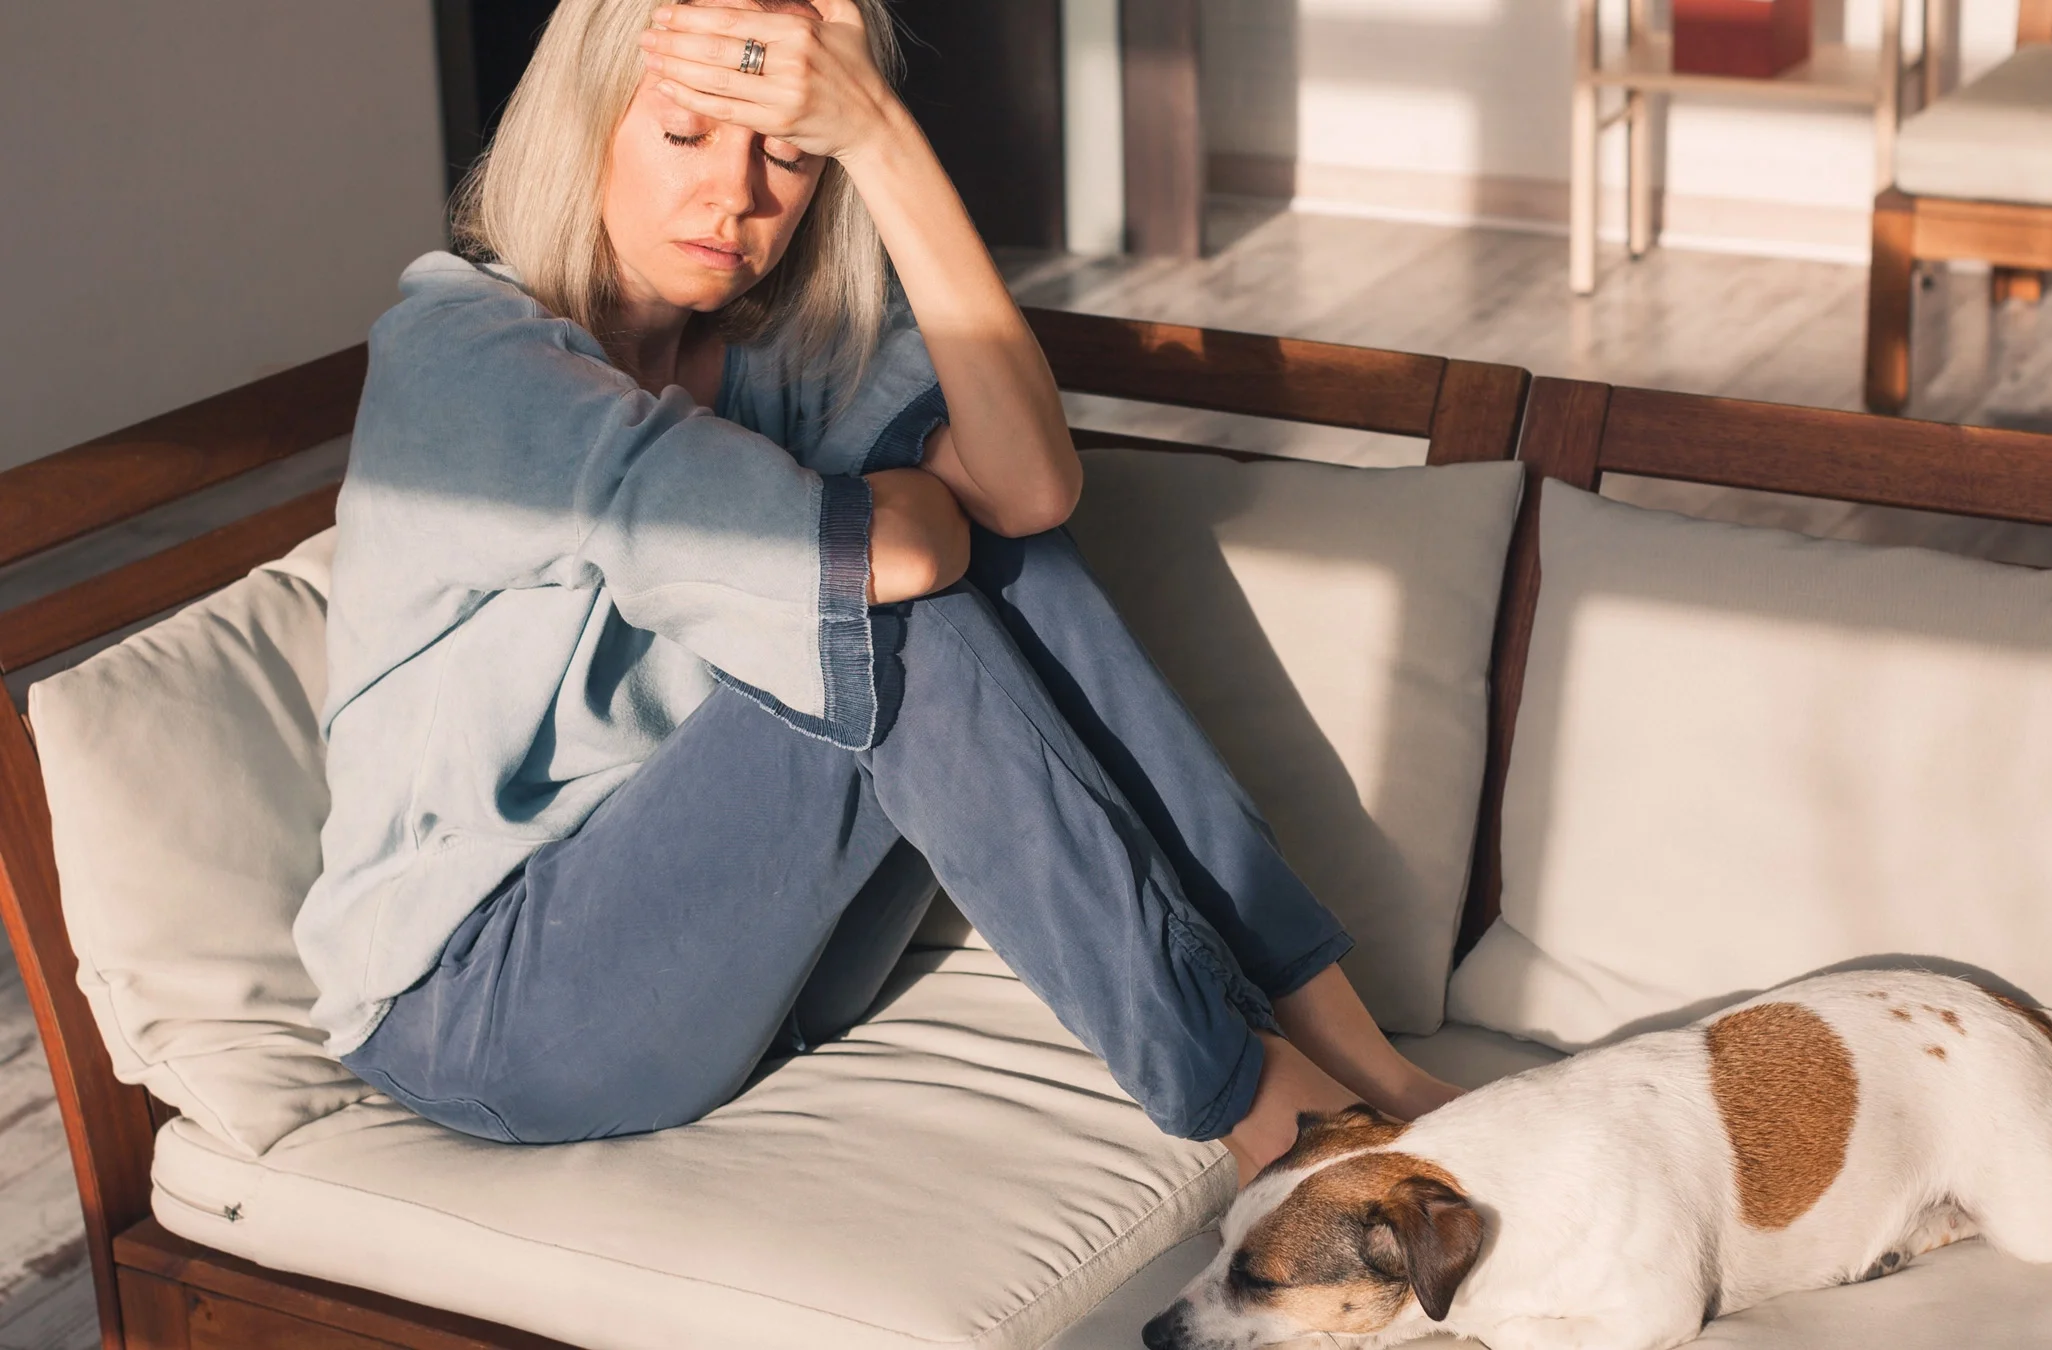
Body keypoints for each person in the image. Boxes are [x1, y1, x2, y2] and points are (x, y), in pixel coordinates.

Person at [293, 0, 1459, 1182]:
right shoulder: (468, 360)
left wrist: (888, 140)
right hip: (486, 1007)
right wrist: (902, 520)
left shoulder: (774, 346)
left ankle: (1348, 1047)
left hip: (754, 969)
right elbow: (894, 567)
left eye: (790, 152)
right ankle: (1264, 1112)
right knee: (883, 605)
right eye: (686, 136)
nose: (737, 198)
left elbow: (1029, 492)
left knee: (982, 551)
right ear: (582, 123)